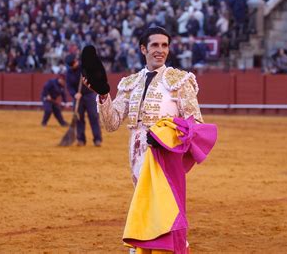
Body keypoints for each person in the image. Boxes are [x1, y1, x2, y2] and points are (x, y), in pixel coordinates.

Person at [89, 26, 212, 253]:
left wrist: (168, 136)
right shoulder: (131, 83)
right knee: (144, 203)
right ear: (143, 49)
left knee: (166, 208)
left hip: (165, 156)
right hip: (136, 154)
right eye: (155, 45)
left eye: (164, 45)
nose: (160, 50)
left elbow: (197, 126)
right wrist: (103, 94)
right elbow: (112, 122)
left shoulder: (179, 81)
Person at [65, 54, 102, 147]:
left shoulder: (84, 66)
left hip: (89, 94)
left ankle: (97, 139)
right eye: (73, 64)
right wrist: (74, 94)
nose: (75, 64)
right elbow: (69, 86)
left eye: (75, 62)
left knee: (93, 117)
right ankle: (81, 139)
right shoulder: (69, 73)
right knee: (79, 118)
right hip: (78, 97)